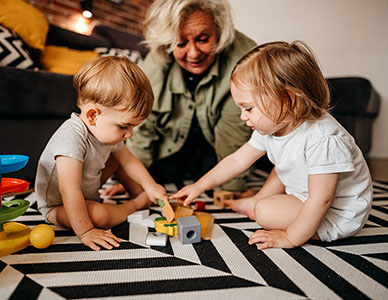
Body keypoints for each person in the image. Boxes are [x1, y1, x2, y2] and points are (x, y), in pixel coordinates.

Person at [171, 41, 373, 250]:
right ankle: (256, 200)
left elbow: (321, 201)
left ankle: (264, 208)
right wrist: (199, 186)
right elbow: (237, 160)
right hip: (307, 195)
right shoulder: (274, 125)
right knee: (282, 166)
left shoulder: (324, 139)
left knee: (264, 211)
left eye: (248, 108)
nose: (243, 117)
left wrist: (290, 237)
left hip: (337, 214)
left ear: (286, 100)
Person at [102, 0, 257, 198]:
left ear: (219, 31)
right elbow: (142, 127)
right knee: (164, 172)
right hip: (172, 144)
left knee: (217, 175)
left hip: (215, 144)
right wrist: (132, 181)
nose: (193, 53)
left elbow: (233, 131)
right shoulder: (154, 66)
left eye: (203, 39)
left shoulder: (242, 58)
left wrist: (233, 189)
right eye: (181, 43)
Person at [35, 56, 168, 251]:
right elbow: (69, 191)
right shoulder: (71, 136)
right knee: (99, 216)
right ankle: (135, 204)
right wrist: (86, 231)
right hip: (58, 206)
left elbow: (129, 161)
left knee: (120, 155)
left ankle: (141, 193)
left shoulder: (104, 132)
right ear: (93, 115)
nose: (129, 134)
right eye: (124, 126)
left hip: (88, 190)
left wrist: (151, 186)